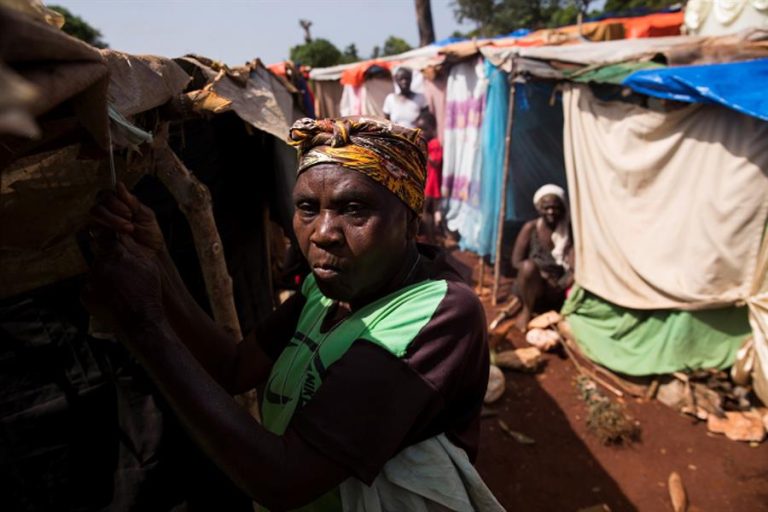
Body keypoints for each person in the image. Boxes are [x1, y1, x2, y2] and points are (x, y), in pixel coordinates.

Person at [85, 117, 503, 511]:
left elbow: (285, 479)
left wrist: (144, 326)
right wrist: (159, 261)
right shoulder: (326, 291)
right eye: (307, 207)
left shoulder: (438, 312)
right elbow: (233, 367)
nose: (323, 233)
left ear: (410, 221)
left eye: (354, 209)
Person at [511, 184, 574, 331]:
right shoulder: (531, 228)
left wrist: (562, 284)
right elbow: (516, 262)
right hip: (534, 285)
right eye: (546, 208)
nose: (551, 212)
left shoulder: (568, 231)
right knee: (528, 267)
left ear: (563, 208)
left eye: (555, 207)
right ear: (539, 208)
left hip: (558, 287)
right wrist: (542, 275)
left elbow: (574, 264)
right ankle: (527, 310)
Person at [415, 111, 443, 244]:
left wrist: (424, 150)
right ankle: (431, 238)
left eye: (425, 129)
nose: (423, 132)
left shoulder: (435, 144)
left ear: (433, 129)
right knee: (427, 212)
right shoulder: (427, 144)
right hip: (425, 183)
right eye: (420, 129)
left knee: (426, 213)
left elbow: (436, 162)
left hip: (431, 185)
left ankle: (431, 240)